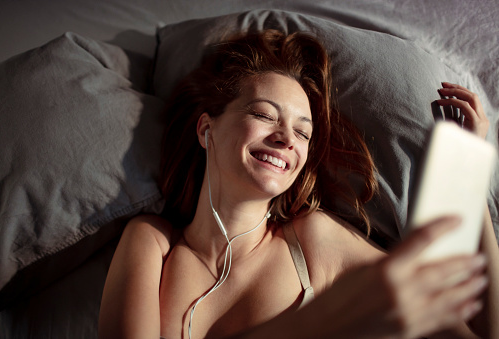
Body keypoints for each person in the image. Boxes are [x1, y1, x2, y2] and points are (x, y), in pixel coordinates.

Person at [98, 30, 498, 339]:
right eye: (264, 114)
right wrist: (324, 319)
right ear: (207, 129)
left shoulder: (314, 242)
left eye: (302, 133)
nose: (286, 138)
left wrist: (469, 170)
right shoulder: (151, 242)